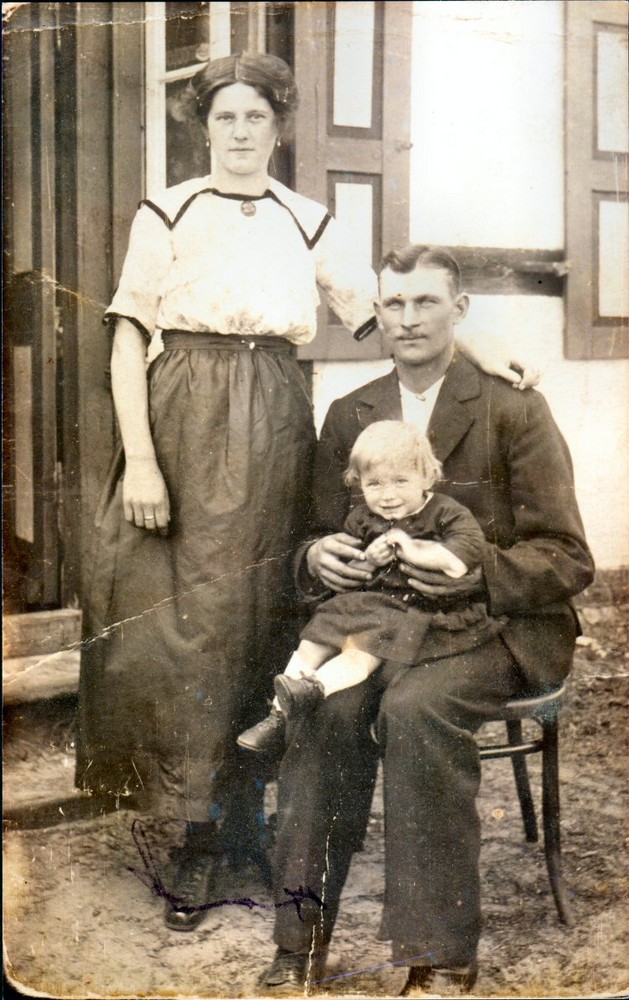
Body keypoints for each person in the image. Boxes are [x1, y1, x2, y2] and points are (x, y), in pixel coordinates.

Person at [74, 49, 537, 936]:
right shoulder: (166, 211)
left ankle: (254, 823)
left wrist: (478, 349)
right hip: (182, 416)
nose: (241, 132)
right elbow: (130, 339)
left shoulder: (308, 219)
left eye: (257, 118)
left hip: (278, 414)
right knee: (188, 625)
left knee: (263, 613)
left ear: (279, 129)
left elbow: (391, 314)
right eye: (225, 118)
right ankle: (199, 831)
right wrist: (140, 457)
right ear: (203, 127)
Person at [260, 245, 594, 995]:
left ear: (458, 312)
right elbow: (312, 534)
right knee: (320, 709)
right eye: (392, 304)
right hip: (382, 629)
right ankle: (298, 943)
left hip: (492, 627)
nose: (406, 319)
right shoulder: (352, 413)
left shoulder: (511, 405)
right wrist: (317, 560)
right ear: (375, 313)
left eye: (423, 303)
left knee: (416, 712)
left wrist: (473, 569)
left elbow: (567, 556)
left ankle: (439, 954)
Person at [238, 421, 499, 754]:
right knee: (314, 639)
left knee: (359, 653)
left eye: (400, 481)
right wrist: (369, 560)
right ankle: (277, 715)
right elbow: (355, 569)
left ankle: (315, 688)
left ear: (427, 477)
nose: (387, 495)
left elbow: (465, 553)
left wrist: (411, 549)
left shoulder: (445, 513)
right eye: (374, 483)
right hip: (363, 603)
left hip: (410, 608)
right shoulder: (362, 518)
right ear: (358, 483)